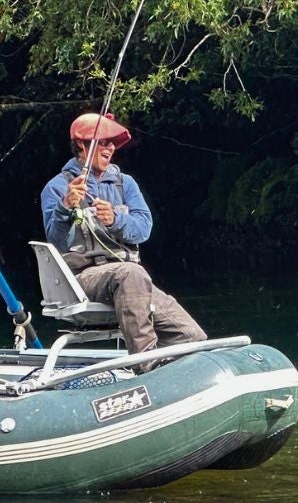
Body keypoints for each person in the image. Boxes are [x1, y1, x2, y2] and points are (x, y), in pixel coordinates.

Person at [39, 112, 205, 360]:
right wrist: (65, 207)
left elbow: (144, 229)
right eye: (103, 141)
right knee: (132, 272)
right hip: (82, 279)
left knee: (191, 336)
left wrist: (115, 220)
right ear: (82, 146)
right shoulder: (56, 187)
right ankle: (145, 363)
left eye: (113, 142)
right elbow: (56, 243)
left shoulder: (126, 184)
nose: (110, 147)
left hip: (130, 280)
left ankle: (168, 374)